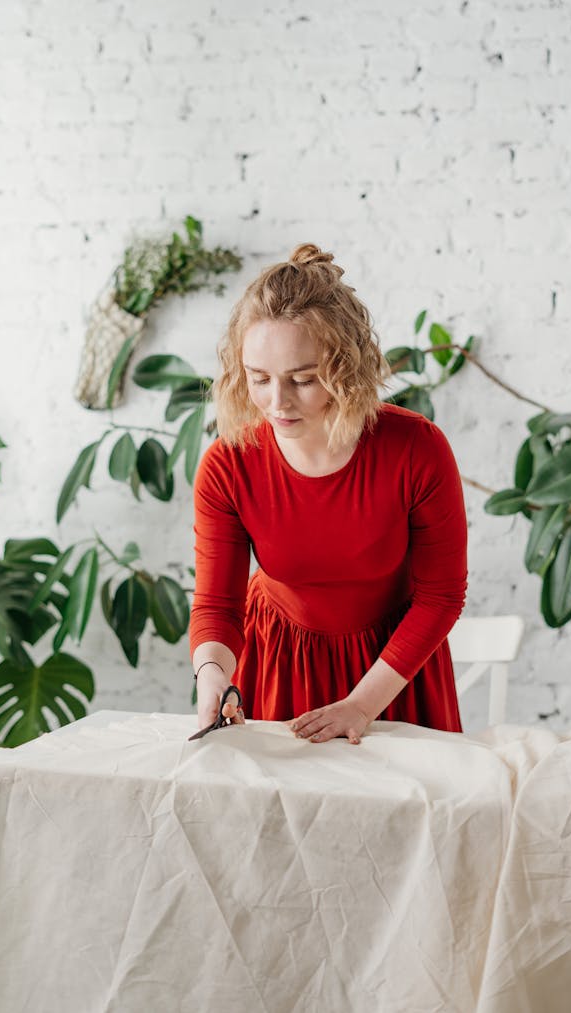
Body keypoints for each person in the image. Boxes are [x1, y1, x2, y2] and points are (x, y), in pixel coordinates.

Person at [189, 243, 467, 744]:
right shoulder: (228, 466)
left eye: (303, 380)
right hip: (278, 663)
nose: (277, 402)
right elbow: (217, 606)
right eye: (259, 379)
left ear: (347, 370)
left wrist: (361, 706)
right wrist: (211, 673)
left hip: (393, 670)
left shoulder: (416, 450)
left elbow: (440, 597)